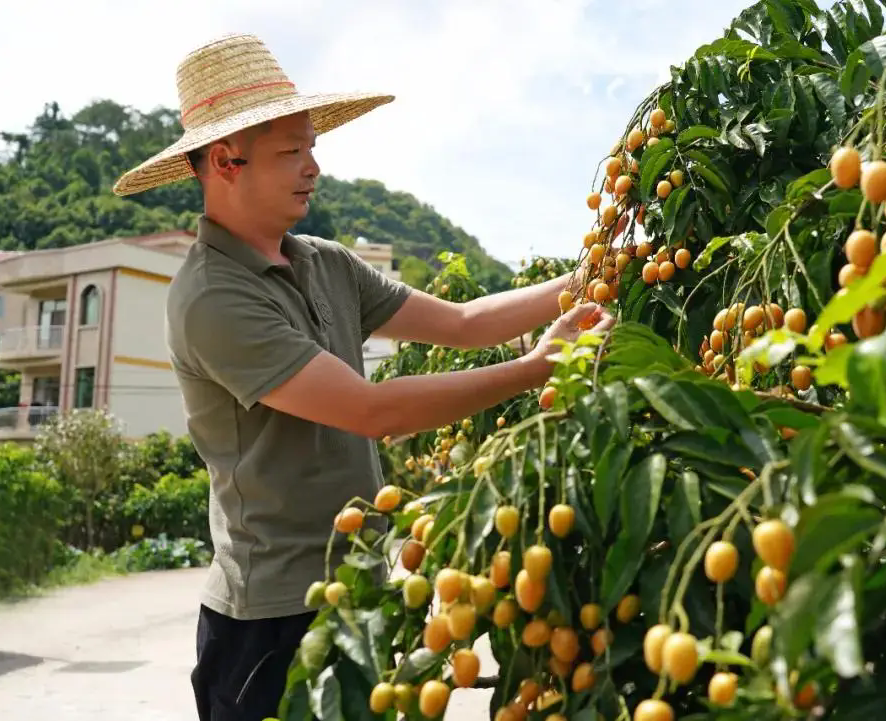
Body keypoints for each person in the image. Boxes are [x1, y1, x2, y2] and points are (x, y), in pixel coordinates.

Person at [112, 32, 614, 721]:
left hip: (363, 591)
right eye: (293, 151)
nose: (313, 167)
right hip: (274, 622)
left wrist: (596, 272)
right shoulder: (211, 297)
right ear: (226, 162)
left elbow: (464, 321)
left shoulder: (324, 262)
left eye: (311, 146)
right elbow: (371, 410)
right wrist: (535, 368)